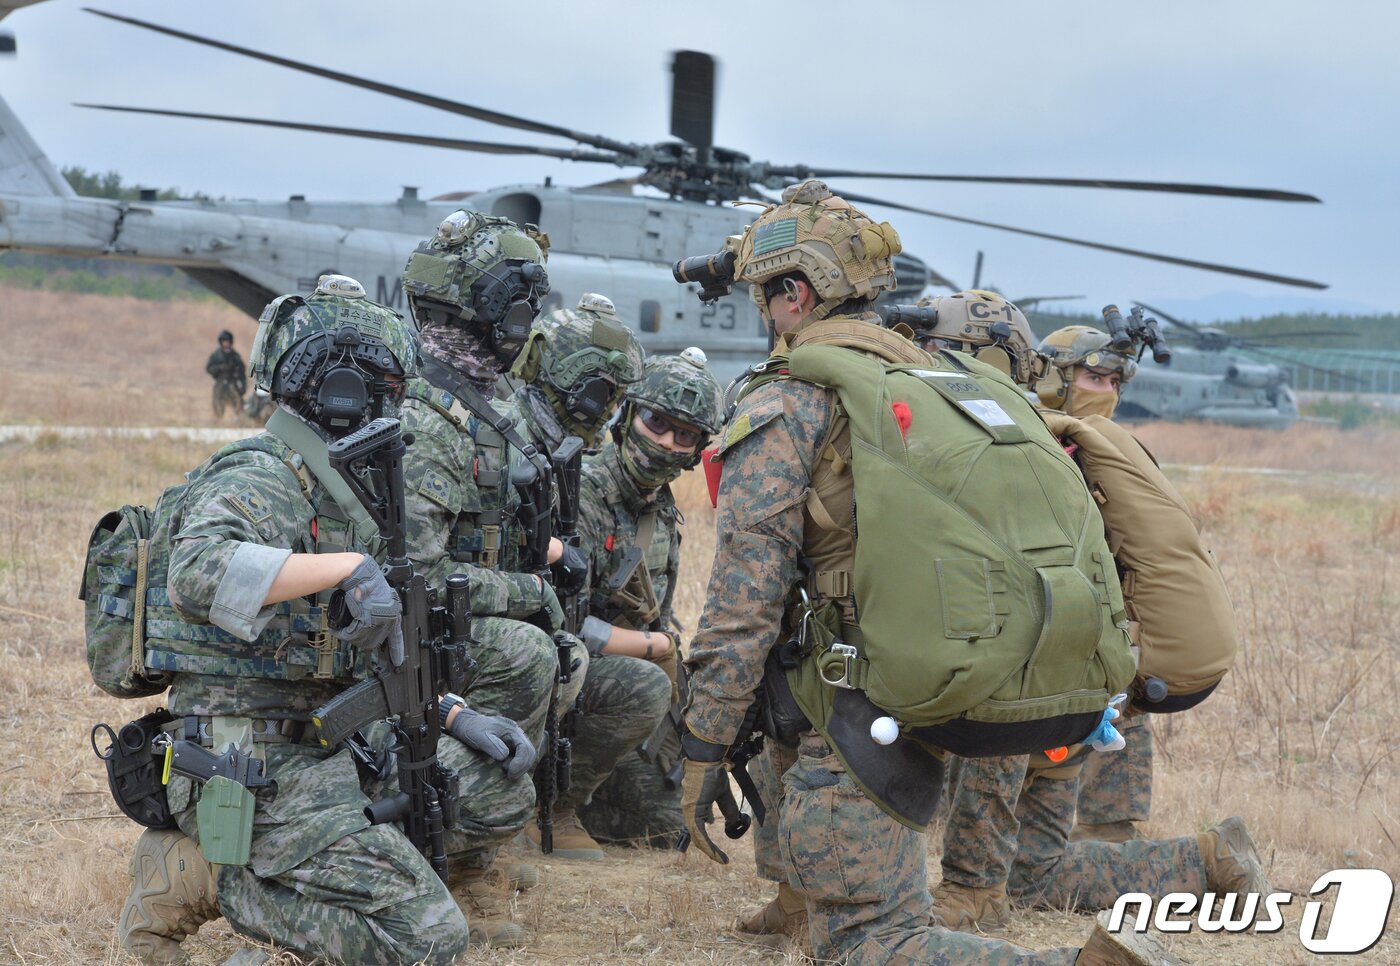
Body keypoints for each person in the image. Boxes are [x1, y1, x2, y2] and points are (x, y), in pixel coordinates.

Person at [678, 180, 1168, 966]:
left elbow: (743, 601)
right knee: (862, 901)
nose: (768, 315)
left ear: (797, 293)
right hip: (928, 686)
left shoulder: (792, 404)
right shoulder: (939, 384)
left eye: (769, 297)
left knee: (871, 942)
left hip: (851, 713)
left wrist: (702, 741)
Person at [118, 275, 529, 965]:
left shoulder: (341, 485)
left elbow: (373, 647)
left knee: (493, 785)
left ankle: (338, 870)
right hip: (247, 755)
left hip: (326, 737)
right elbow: (198, 572)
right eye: (382, 385)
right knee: (431, 941)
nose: (392, 401)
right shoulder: (261, 474)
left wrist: (456, 714)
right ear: (341, 389)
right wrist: (344, 568)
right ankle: (210, 876)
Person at [932, 322, 1262, 934]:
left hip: (1086, 665)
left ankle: (975, 887)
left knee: (998, 723)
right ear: (1055, 374)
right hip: (1119, 665)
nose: (1104, 391)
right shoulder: (1107, 443)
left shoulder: (1069, 451)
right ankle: (1209, 858)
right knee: (1037, 875)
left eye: (1113, 379)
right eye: (1094, 376)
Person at [397, 209, 563, 947]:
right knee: (527, 654)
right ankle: (452, 868)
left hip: (453, 621)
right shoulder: (432, 419)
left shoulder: (487, 398)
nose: (529, 320)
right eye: (522, 302)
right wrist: (528, 593)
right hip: (410, 636)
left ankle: (483, 837)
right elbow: (420, 577)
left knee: (562, 651)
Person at [498, 293, 655, 860]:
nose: (605, 409)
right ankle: (496, 815)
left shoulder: (563, 453)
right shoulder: (504, 435)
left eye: (615, 396)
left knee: (637, 684)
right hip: (493, 624)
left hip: (545, 622)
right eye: (598, 393)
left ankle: (555, 809)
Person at [574, 348, 725, 849]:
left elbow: (658, 612)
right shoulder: (583, 493)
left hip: (616, 692)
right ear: (628, 415)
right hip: (568, 685)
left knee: (669, 829)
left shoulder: (658, 508)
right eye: (656, 422)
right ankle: (554, 806)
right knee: (646, 682)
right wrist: (653, 648)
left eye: (683, 435)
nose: (664, 442)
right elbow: (562, 629)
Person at [205, 329, 246, 419]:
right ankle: (218, 420)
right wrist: (220, 368)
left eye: (227, 341)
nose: (226, 343)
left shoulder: (235, 356)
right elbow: (209, 368)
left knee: (238, 405)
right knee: (218, 405)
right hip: (220, 382)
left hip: (233, 383)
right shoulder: (216, 355)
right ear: (221, 342)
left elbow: (242, 372)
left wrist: (243, 386)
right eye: (224, 341)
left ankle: (239, 421)